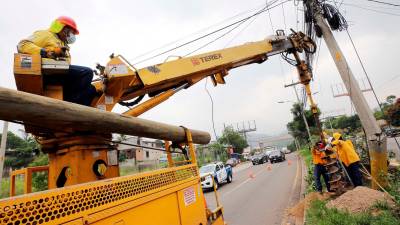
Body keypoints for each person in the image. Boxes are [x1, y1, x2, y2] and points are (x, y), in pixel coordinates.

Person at [17, 16, 97, 106]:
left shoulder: (62, 44)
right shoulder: (46, 34)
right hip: (47, 74)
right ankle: (71, 106)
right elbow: (22, 45)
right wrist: (46, 52)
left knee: (91, 89)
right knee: (86, 73)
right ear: (63, 28)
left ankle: (80, 112)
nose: (72, 36)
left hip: (58, 74)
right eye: (72, 32)